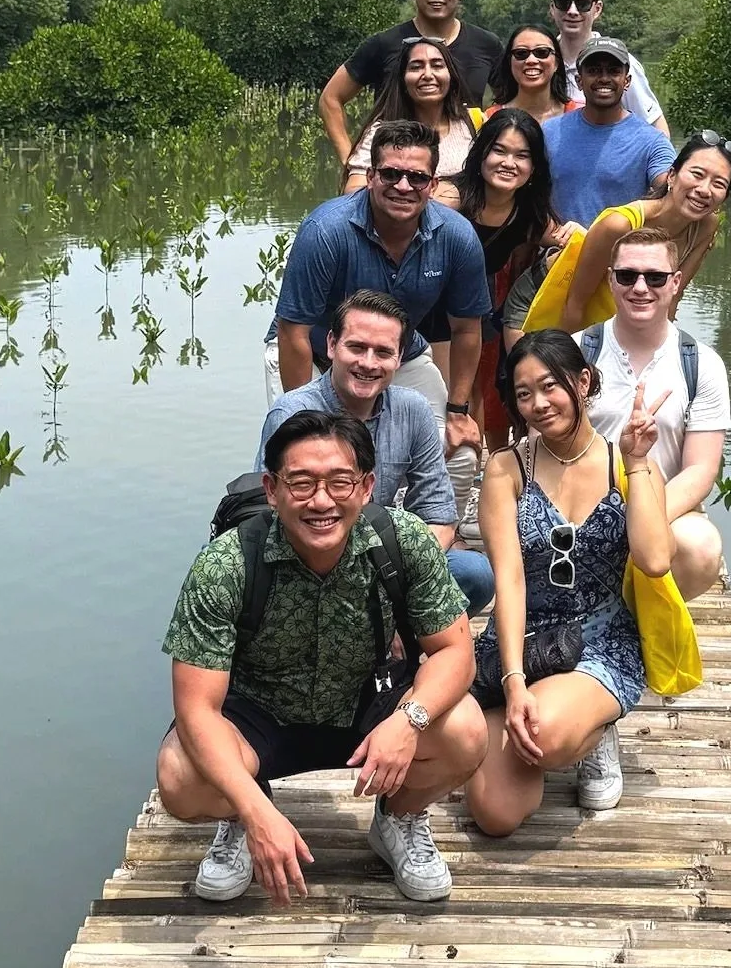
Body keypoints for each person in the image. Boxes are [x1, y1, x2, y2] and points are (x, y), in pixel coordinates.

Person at [159, 409, 487, 906]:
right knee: (180, 776)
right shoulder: (225, 565)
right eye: (301, 483)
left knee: (465, 730)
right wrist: (254, 812)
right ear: (271, 489)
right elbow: (196, 708)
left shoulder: (403, 541)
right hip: (259, 715)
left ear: (367, 486)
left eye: (339, 482)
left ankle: (397, 818)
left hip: (369, 703)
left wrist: (410, 720)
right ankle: (238, 819)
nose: (321, 501)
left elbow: (455, 652)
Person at [466, 331, 671, 839]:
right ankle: (526, 713)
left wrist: (640, 461)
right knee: (495, 816)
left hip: (600, 641)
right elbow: (508, 581)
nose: (538, 404)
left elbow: (655, 559)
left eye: (550, 386)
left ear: (582, 381)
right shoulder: (507, 470)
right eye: (523, 393)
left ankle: (592, 731)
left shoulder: (624, 463)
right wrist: (513, 682)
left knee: (546, 735)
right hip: (523, 643)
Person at [259, 288, 493, 612]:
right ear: (331, 345)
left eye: (383, 352)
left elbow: (438, 517)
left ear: (399, 358)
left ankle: (395, 637)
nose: (368, 363)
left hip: (384, 565)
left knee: (474, 574)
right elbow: (270, 521)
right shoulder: (292, 414)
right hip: (307, 562)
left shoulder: (413, 410)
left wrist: (388, 592)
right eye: (356, 347)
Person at [272, 121, 490, 456]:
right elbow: (293, 333)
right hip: (312, 351)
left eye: (416, 177)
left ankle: (426, 511)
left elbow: (466, 330)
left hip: (397, 353)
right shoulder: (325, 231)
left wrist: (458, 410)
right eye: (391, 174)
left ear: (432, 185)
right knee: (313, 456)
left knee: (458, 453)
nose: (403, 186)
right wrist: (310, 423)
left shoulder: (456, 237)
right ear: (371, 176)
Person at [580, 226, 730, 602]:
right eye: (627, 276)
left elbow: (700, 470)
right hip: (581, 502)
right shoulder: (576, 352)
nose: (641, 288)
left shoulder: (703, 364)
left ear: (676, 282)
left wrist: (640, 519)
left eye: (655, 277)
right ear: (610, 280)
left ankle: (644, 616)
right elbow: (542, 444)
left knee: (701, 546)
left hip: (666, 505)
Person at [320, 0, 504, 169]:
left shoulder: (486, 44)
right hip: (395, 174)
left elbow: (510, 103)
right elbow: (330, 98)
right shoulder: (383, 44)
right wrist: (350, 161)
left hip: (463, 174)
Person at [450, 107, 573, 449]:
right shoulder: (451, 200)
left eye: (522, 155)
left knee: (479, 382)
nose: (509, 163)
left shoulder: (528, 213)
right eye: (499, 151)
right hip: (436, 305)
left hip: (480, 306)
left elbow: (571, 243)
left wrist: (575, 236)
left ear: (534, 169)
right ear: (481, 154)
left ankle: (476, 457)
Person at [551, 130, 731, 333]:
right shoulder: (619, 225)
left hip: (610, 321)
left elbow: (671, 300)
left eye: (719, 184)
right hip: (548, 299)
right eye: (697, 174)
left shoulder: (706, 226)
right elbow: (574, 305)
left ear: (725, 197)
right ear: (671, 176)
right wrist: (568, 362)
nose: (704, 190)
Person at [541, 39, 675, 226]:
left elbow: (673, 192)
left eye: (613, 71)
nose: (604, 78)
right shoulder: (549, 132)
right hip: (558, 249)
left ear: (627, 81)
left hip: (621, 251)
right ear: (579, 81)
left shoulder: (652, 142)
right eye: (594, 71)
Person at [343, 36, 478, 202]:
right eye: (416, 67)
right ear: (403, 79)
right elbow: (352, 192)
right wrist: (427, 197)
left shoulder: (472, 123)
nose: (428, 74)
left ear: (451, 75)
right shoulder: (381, 131)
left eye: (437, 66)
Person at [550, 0, 668, 129]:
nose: (572, 11)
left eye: (583, 4)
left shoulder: (621, 63)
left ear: (597, 9)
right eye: (563, 2)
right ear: (552, 7)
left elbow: (656, 127)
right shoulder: (539, 61)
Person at [487, 23, 572, 123]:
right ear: (509, 62)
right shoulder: (489, 119)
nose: (531, 60)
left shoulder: (580, 114)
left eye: (542, 52)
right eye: (521, 53)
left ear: (557, 62)